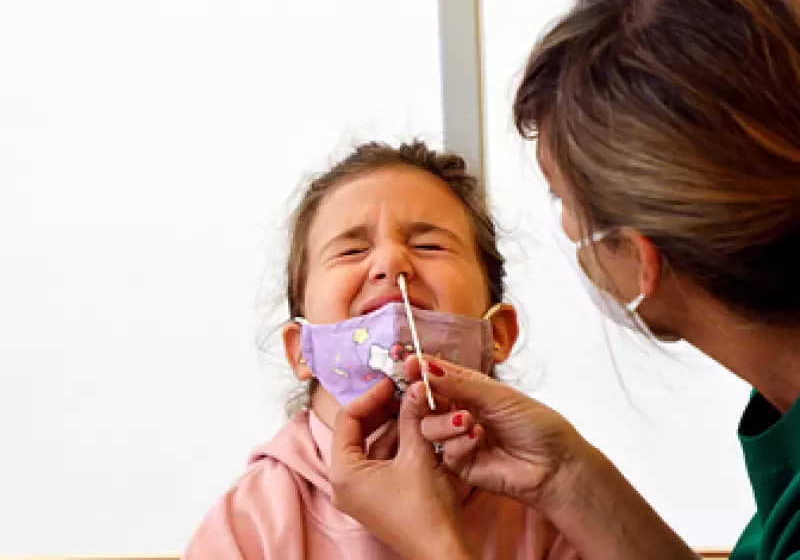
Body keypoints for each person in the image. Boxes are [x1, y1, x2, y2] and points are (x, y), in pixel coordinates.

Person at [323, 0, 800, 559]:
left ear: (640, 258)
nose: (391, 266)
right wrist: (567, 473)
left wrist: (435, 546)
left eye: (562, 200)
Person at [183, 141, 578, 559]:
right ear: (301, 351)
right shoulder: (248, 527)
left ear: (498, 334)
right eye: (351, 251)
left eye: (430, 246)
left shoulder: (546, 509)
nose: (391, 263)